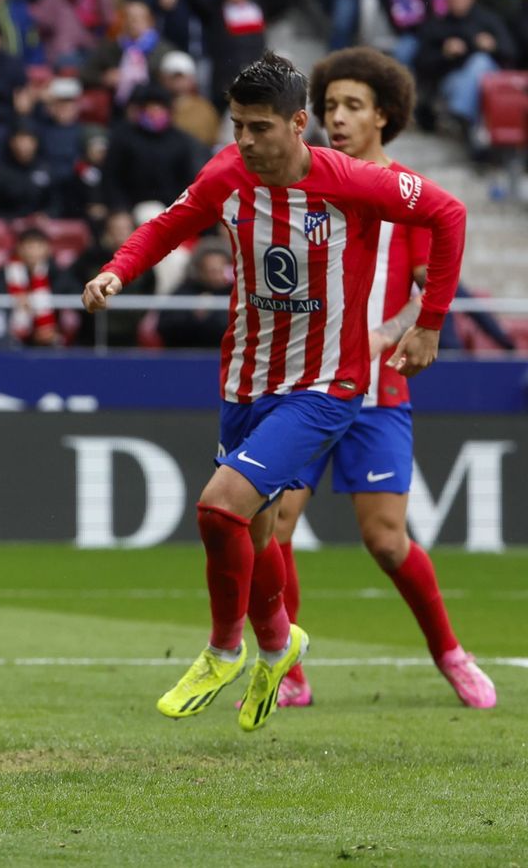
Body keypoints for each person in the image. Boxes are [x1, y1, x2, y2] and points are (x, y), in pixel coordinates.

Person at [81, 52, 466, 732]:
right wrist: (117, 271)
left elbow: (448, 215)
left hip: (326, 384)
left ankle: (226, 646)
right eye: (236, 125)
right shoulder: (227, 174)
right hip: (246, 380)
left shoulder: (352, 180)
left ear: (296, 124)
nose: (245, 141)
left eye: (259, 128)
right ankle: (276, 645)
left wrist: (428, 325)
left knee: (219, 509)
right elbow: (166, 227)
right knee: (259, 536)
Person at [267, 48, 495, 709]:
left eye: (352, 107)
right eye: (330, 106)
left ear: (384, 117)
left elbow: (428, 288)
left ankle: (450, 653)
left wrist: (393, 329)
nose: (336, 119)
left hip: (375, 391)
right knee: (275, 527)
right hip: (304, 385)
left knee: (386, 540)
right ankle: (290, 671)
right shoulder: (302, 181)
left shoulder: (408, 195)